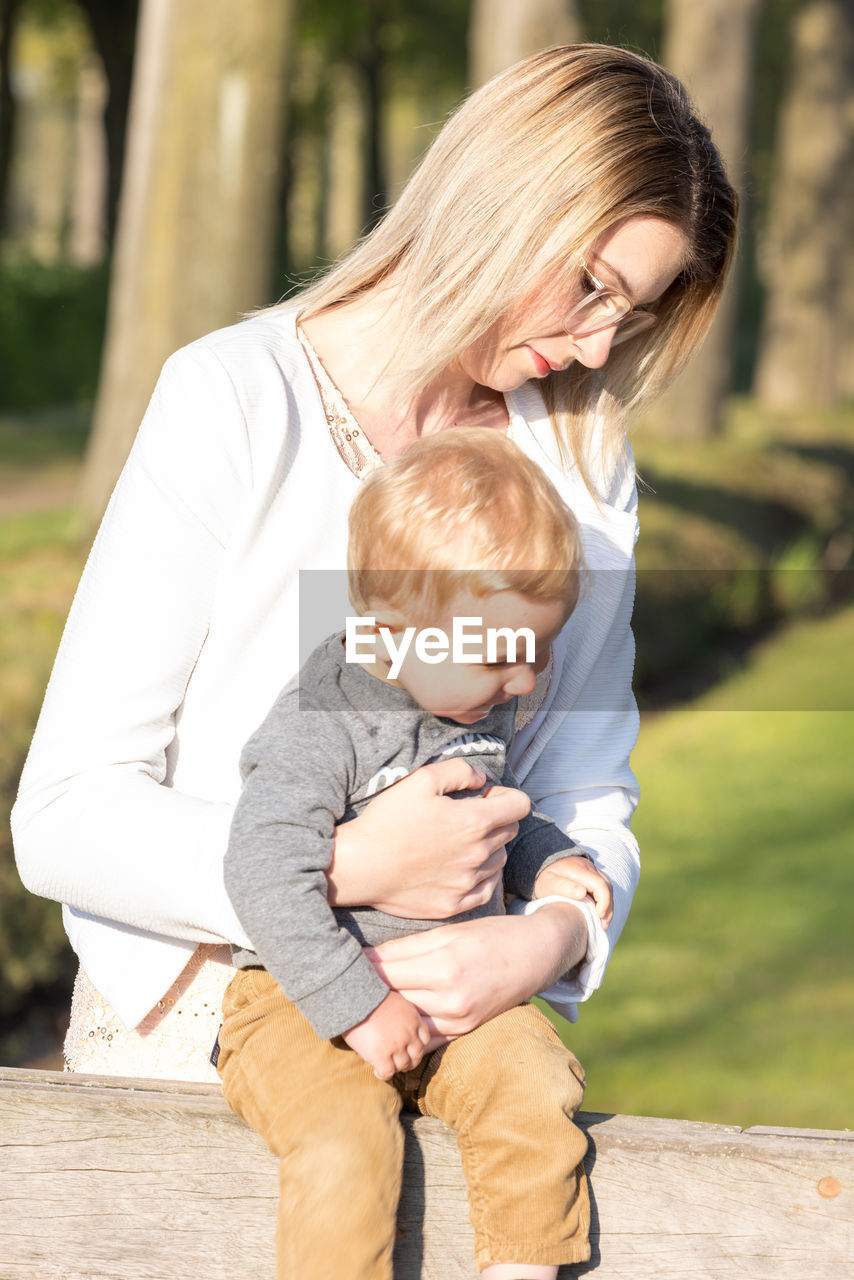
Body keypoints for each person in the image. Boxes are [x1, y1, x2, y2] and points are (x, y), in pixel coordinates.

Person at [11, 44, 737, 1088]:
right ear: (498, 195)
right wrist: (343, 868)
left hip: (449, 1061)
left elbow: (582, 790)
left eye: (629, 314)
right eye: (588, 284)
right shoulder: (234, 396)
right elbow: (66, 813)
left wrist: (550, 937)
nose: (593, 346)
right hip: (195, 1054)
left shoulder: (582, 466)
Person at [219, 430, 613, 1279]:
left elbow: (493, 816)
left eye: (539, 651)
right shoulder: (327, 716)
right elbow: (259, 868)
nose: (526, 683)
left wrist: (546, 863)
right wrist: (358, 1007)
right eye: (504, 657)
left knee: (535, 1084)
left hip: (445, 1007)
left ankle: (520, 1267)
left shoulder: (476, 697)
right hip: (301, 995)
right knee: (344, 1138)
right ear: (395, 635)